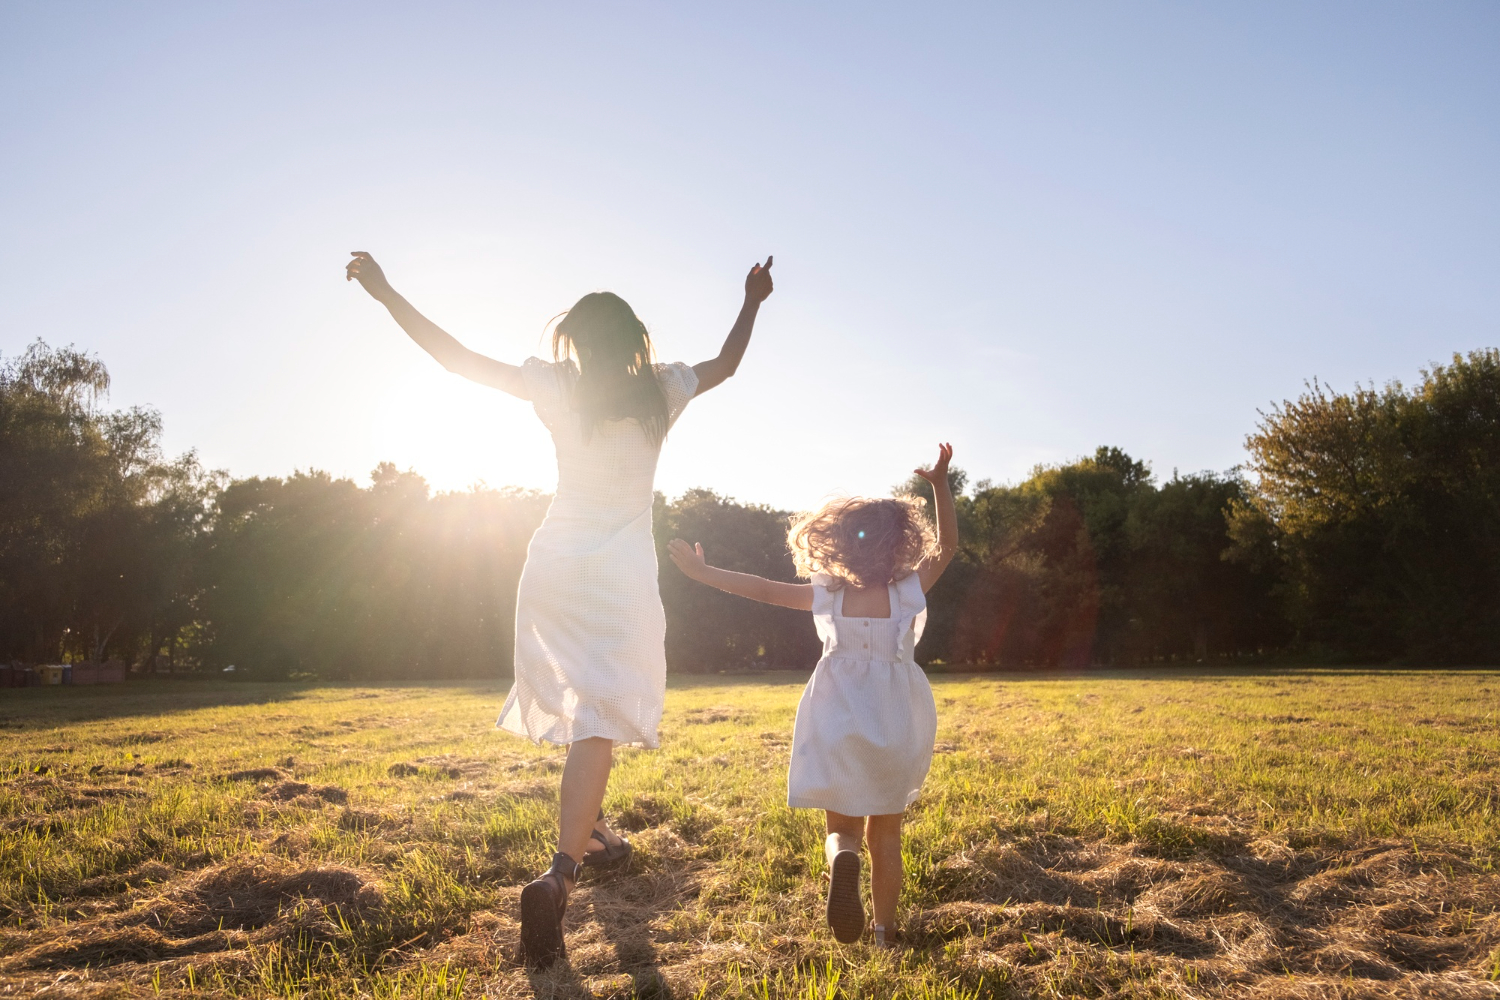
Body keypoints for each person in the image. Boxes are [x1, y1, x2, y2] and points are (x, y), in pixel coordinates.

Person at [345, 249, 774, 968]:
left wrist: (386, 292)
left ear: (573, 340)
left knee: (586, 715)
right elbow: (727, 364)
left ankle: (596, 832)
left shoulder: (555, 388)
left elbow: (455, 359)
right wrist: (753, 299)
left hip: (553, 566)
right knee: (600, 719)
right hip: (618, 572)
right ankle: (560, 874)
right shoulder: (661, 391)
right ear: (635, 341)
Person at [666, 444, 957, 947]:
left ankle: (841, 857)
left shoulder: (828, 594)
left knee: (841, 826)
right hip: (895, 718)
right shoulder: (909, 592)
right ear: (901, 546)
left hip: (836, 713)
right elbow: (948, 546)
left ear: (839, 547)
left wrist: (704, 574)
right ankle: (885, 933)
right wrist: (939, 485)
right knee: (886, 834)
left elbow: (761, 588)